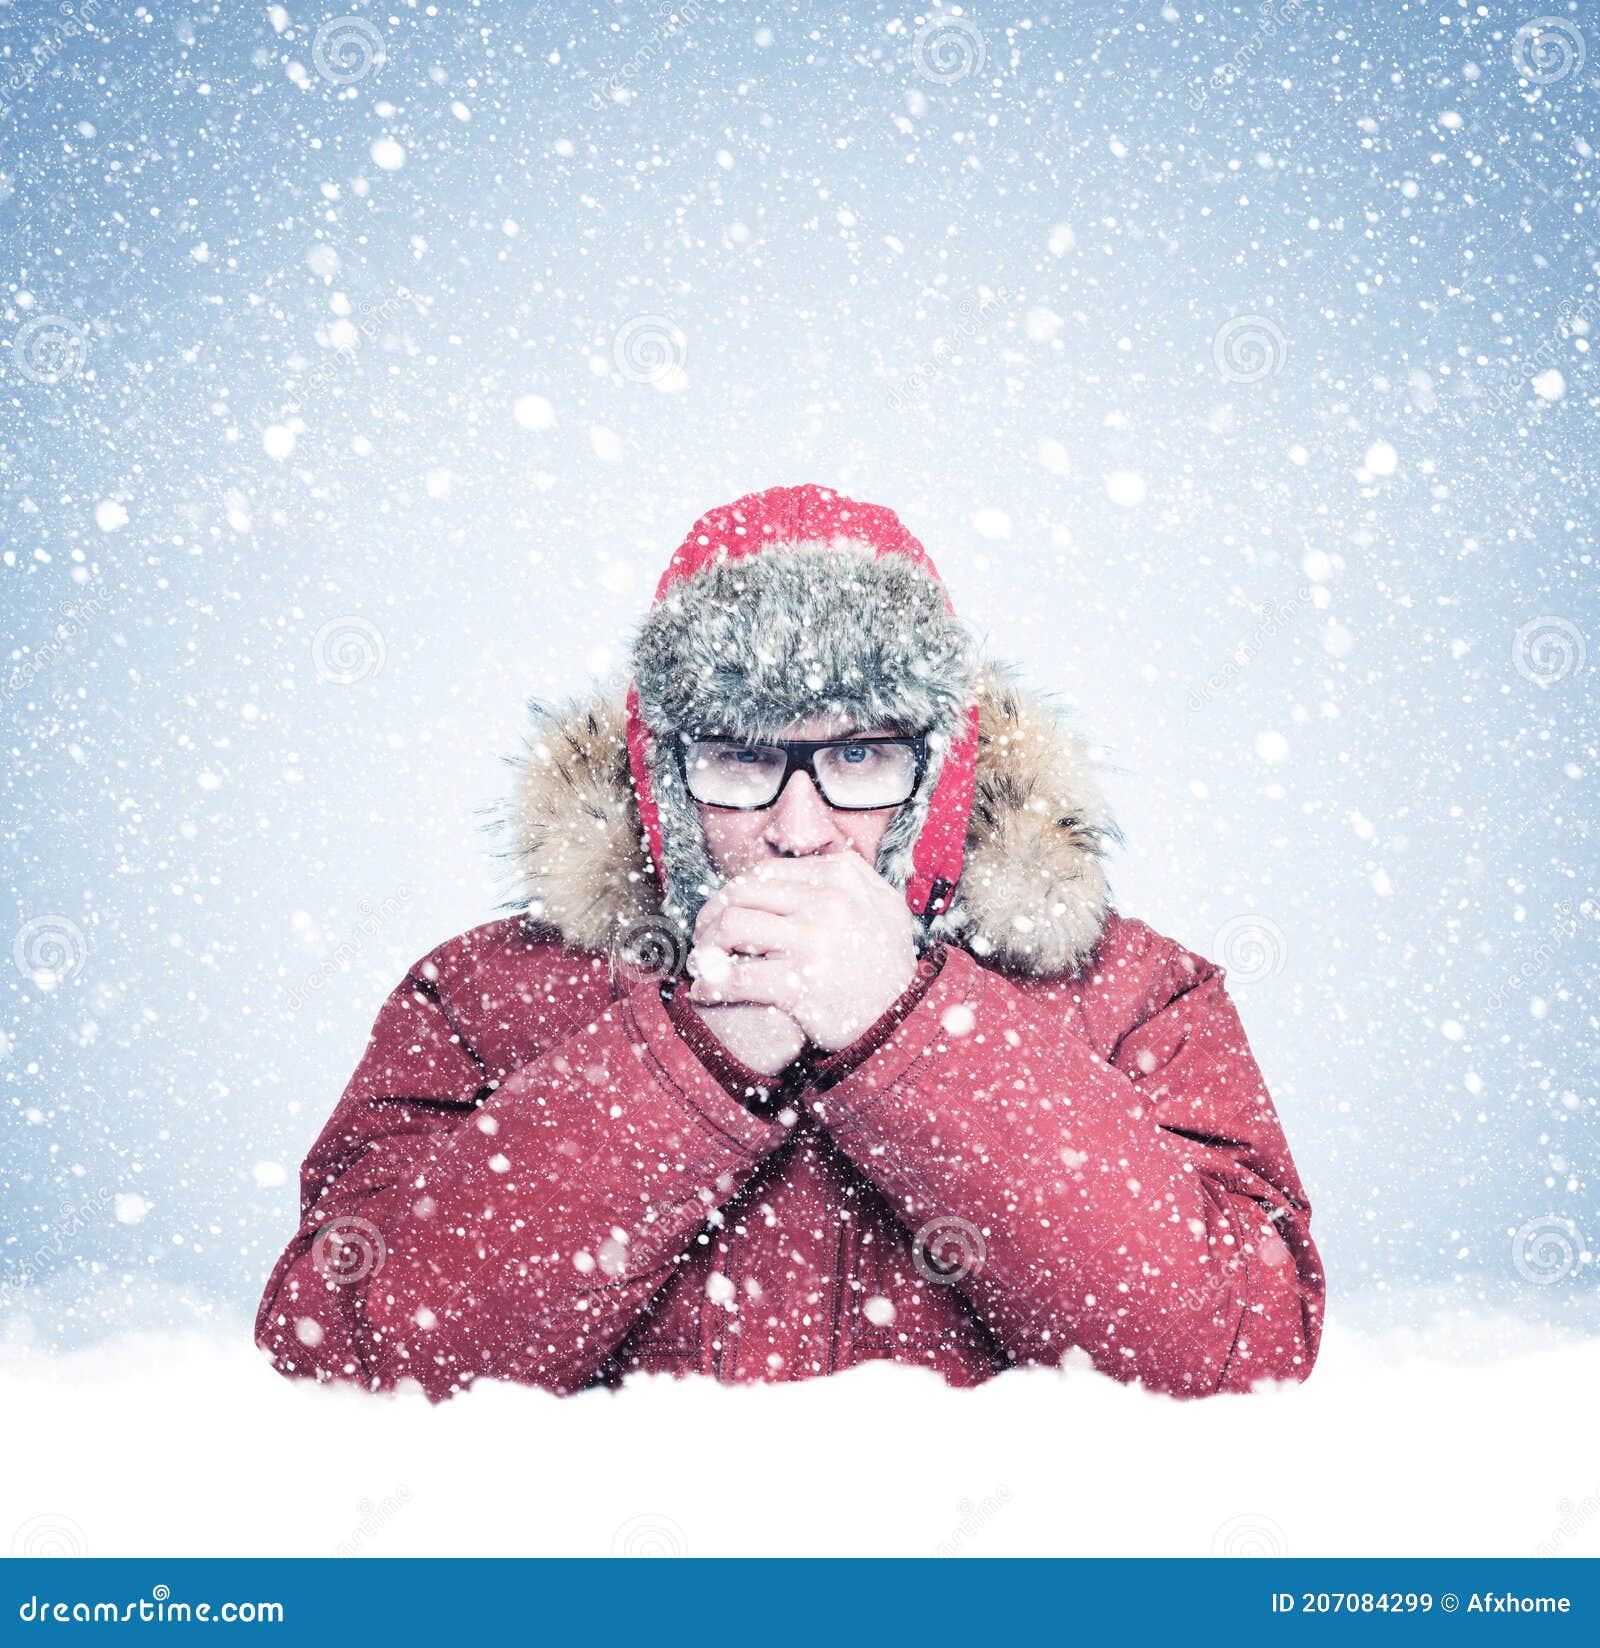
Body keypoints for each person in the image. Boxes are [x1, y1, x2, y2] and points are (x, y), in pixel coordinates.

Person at [255, 482, 1324, 1401]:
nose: (800, 827)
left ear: (943, 770)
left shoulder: (1135, 996)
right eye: (739, 757)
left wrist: (910, 1028)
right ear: (663, 776)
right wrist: (688, 1061)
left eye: (859, 755)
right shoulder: (482, 1000)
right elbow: (335, 1354)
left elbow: (1243, 1354)